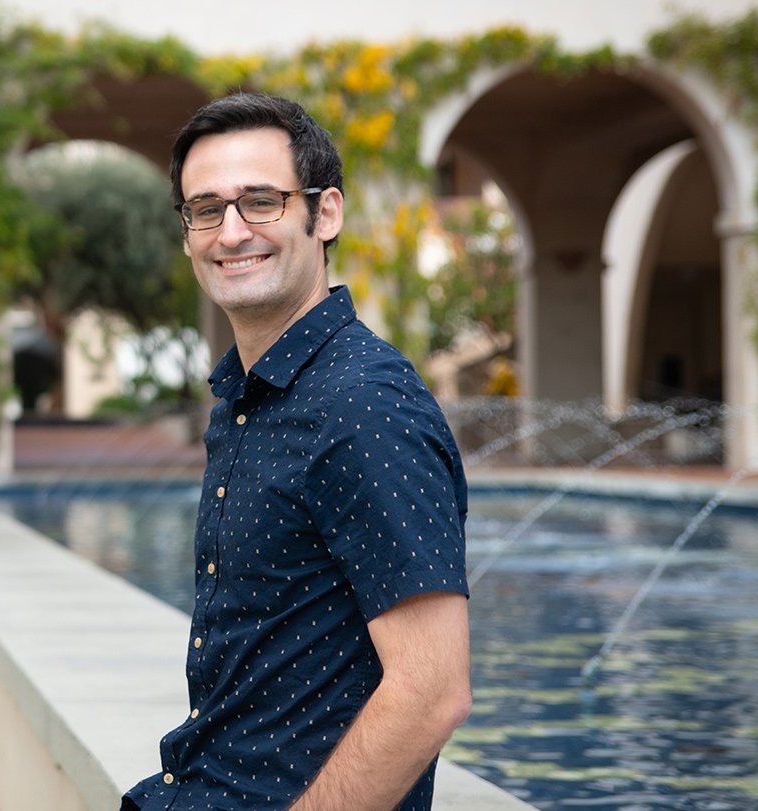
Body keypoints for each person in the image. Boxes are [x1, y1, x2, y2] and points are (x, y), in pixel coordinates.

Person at [121, 93, 472, 811]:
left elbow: (433, 690)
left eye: (261, 200)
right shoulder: (254, 397)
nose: (232, 231)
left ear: (326, 213)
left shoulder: (364, 405)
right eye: (207, 209)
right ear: (187, 233)